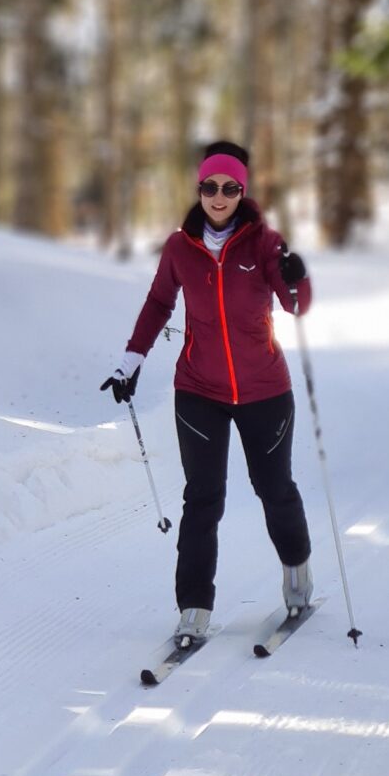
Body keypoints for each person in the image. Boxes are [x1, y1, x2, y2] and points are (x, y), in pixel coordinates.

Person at [101, 140, 314, 654]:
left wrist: (296, 277)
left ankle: (297, 577)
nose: (219, 196)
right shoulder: (180, 248)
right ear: (199, 190)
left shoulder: (264, 243)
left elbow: (294, 306)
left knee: (274, 489)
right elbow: (157, 303)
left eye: (230, 188)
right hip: (198, 389)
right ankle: (193, 610)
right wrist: (131, 360)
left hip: (265, 390)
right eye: (211, 187)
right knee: (202, 499)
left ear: (242, 192)